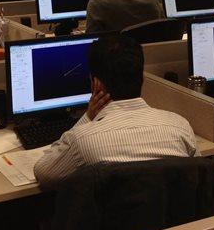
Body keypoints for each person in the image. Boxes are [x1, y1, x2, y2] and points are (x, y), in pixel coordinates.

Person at [34, 34, 199, 189]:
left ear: (95, 84)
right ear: (142, 78)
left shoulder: (82, 140)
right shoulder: (180, 127)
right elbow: (203, 176)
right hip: (170, 219)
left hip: (108, 220)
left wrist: (87, 118)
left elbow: (43, 174)